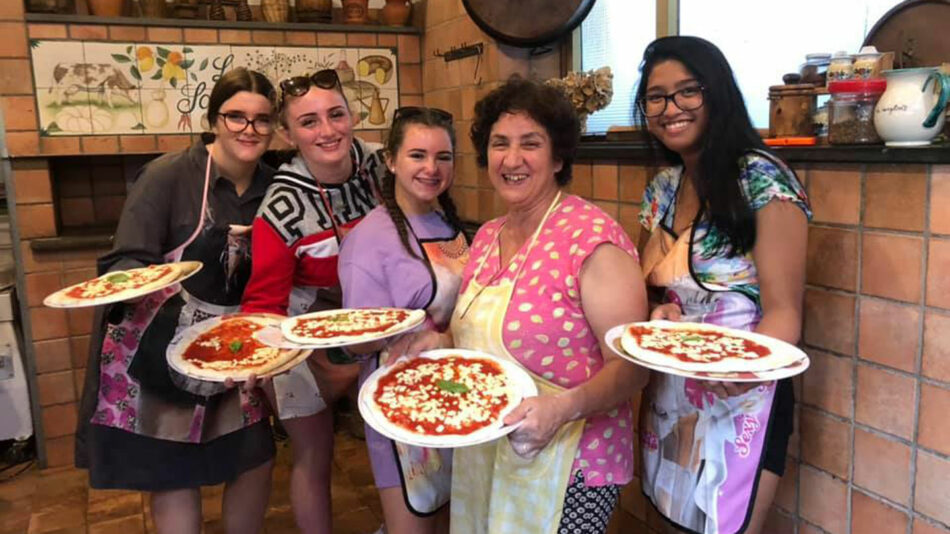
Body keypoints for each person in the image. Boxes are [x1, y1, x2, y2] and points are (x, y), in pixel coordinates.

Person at [392, 78, 649, 534]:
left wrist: (562, 409)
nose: (512, 160)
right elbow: (476, 331)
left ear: (558, 157)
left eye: (530, 144)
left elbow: (632, 368)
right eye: (499, 144)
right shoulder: (488, 236)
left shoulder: (593, 241)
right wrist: (439, 341)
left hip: (570, 464)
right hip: (488, 452)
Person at [74, 68, 278, 534]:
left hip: (233, 351)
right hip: (162, 347)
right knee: (173, 473)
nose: (249, 129)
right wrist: (150, 278)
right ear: (212, 120)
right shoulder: (168, 176)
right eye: (236, 117)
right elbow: (124, 259)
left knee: (254, 459)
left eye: (262, 119)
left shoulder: (274, 187)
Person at [633, 36, 810, 534]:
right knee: (669, 517)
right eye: (656, 97)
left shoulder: (763, 180)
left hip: (743, 392)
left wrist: (742, 370)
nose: (671, 108)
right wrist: (653, 311)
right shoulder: (662, 188)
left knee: (723, 523)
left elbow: (784, 311)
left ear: (719, 94)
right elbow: (645, 285)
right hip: (671, 386)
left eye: (689, 91)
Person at [240, 68, 387, 534]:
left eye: (336, 114)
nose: (327, 131)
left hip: (373, 323)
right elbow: (265, 302)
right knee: (313, 453)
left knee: (400, 444)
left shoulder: (382, 166)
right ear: (287, 134)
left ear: (354, 115)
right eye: (308, 122)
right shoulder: (280, 209)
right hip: (300, 336)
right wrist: (264, 363)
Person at [337, 106, 466, 534]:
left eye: (443, 156)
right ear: (391, 160)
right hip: (399, 404)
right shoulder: (369, 240)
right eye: (417, 155)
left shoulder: (449, 221)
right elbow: (357, 343)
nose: (431, 168)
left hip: (459, 392)